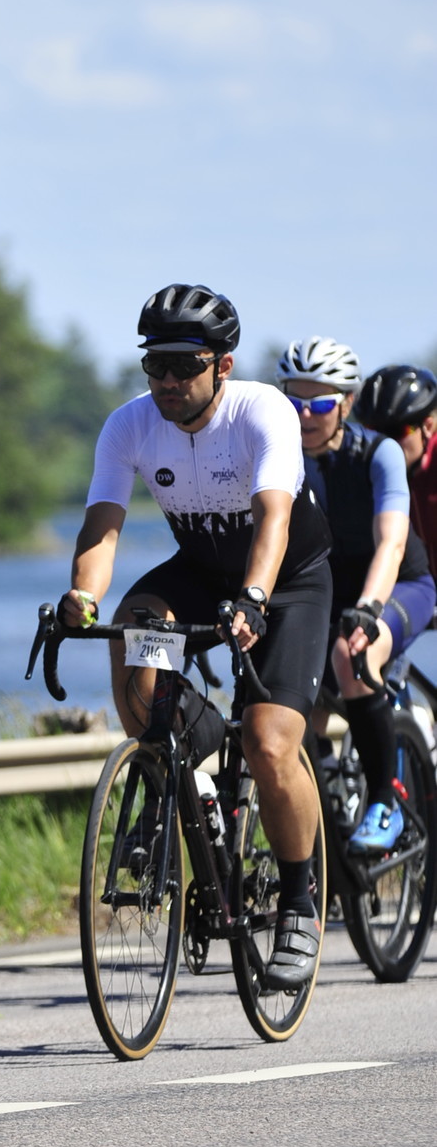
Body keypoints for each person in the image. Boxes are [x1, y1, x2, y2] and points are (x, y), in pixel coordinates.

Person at [60, 283, 332, 991]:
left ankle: (300, 902)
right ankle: (176, 757)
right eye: (155, 365)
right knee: (134, 629)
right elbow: (102, 527)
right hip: (202, 574)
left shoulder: (261, 411)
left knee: (269, 744)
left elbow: (273, 519)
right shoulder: (129, 425)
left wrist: (256, 599)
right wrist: (83, 596)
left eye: (185, 365)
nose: (168, 381)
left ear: (224, 366)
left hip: (286, 580)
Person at [276, 338, 435, 853]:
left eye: (320, 403)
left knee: (352, 653)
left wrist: (368, 608)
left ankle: (386, 801)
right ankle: (325, 802)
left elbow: (391, 543)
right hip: (323, 591)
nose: (305, 415)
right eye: (293, 401)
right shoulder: (276, 457)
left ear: (346, 403)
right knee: (284, 690)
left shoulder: (378, 452)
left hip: (399, 584)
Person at [356, 365, 437, 583]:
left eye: (397, 431)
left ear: (428, 426)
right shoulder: (361, 468)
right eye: (374, 432)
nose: (386, 443)